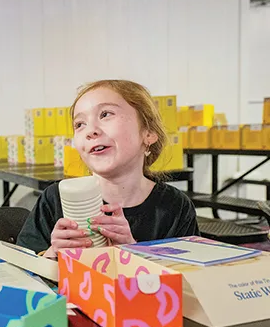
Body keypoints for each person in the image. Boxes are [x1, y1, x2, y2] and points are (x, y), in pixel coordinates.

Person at [17, 79, 199, 258]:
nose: (91, 131)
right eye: (79, 124)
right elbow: (21, 267)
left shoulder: (175, 207)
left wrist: (132, 252)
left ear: (148, 133)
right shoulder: (54, 199)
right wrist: (52, 254)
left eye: (105, 114)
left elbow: (189, 272)